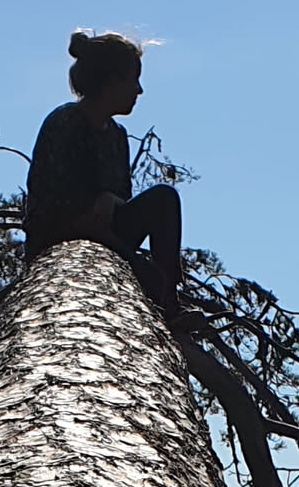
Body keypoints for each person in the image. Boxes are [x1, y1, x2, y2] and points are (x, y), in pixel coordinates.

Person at [25, 30, 183, 319]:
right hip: (59, 239)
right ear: (110, 82)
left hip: (106, 234)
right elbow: (54, 205)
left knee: (164, 199)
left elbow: (122, 198)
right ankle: (162, 297)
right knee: (148, 276)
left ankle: (171, 306)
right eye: (132, 80)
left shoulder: (116, 136)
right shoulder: (64, 123)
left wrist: (110, 200)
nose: (139, 91)